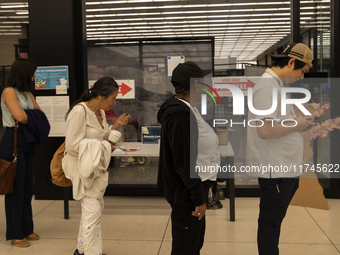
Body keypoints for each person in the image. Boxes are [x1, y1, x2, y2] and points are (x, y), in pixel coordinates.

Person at [246, 43, 315, 255]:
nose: (301, 77)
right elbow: (265, 131)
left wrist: (298, 119)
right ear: (291, 62)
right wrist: (299, 124)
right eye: (301, 71)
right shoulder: (268, 86)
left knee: (273, 222)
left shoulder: (274, 85)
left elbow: (277, 123)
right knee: (270, 223)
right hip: (276, 170)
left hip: (282, 168)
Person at [62, 77, 131, 255]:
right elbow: (72, 146)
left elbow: (103, 137)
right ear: (101, 95)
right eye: (113, 98)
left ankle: (81, 250)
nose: (114, 102)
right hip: (83, 170)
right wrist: (104, 147)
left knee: (92, 212)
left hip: (95, 169)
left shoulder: (99, 112)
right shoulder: (79, 112)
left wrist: (117, 125)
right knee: (92, 215)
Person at [157, 61, 218, 255]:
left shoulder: (188, 108)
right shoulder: (179, 115)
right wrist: (198, 198)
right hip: (187, 195)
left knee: (193, 244)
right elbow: (183, 162)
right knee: (186, 248)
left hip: (193, 191)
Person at [0, 58, 42, 247]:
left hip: (28, 141)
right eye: (32, 73)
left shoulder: (27, 93)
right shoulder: (9, 92)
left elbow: (37, 113)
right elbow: (19, 116)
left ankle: (26, 228)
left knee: (27, 187)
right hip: (13, 140)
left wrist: (31, 116)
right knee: (15, 189)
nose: (34, 76)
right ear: (24, 73)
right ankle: (15, 233)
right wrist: (33, 117)